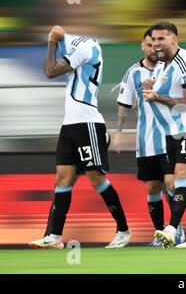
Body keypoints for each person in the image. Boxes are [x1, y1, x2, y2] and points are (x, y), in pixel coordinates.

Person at [29, 26, 131, 249]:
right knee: (62, 179)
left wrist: (52, 42)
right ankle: (54, 237)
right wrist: (56, 39)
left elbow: (50, 71)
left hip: (88, 123)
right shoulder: (82, 44)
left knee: (97, 179)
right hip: (70, 125)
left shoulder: (86, 46)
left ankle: (123, 230)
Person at [142, 22, 186, 248]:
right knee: (180, 183)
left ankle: (171, 228)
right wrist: (153, 86)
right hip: (170, 132)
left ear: (175, 39)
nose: (156, 45)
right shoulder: (163, 65)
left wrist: (156, 96)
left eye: (161, 39)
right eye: (153, 40)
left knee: (182, 176)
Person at [113, 28, 184, 247]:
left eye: (157, 43)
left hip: (169, 136)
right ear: (143, 46)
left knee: (172, 184)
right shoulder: (133, 73)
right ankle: (159, 233)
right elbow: (124, 104)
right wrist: (119, 132)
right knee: (153, 187)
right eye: (149, 43)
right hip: (146, 142)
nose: (154, 47)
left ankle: (177, 230)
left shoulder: (172, 69)